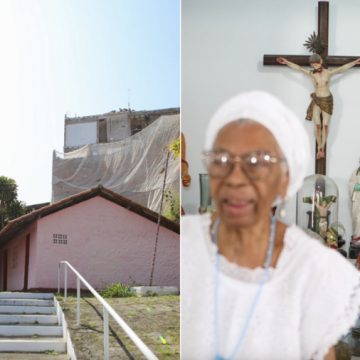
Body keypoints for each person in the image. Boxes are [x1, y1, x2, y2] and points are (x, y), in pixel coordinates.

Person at [181, 91, 360, 360]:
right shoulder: (188, 246)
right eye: (222, 161)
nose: (236, 179)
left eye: (257, 163)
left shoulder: (310, 268)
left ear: (283, 179)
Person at [276, 55, 360, 160]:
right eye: (312, 64)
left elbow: (342, 68)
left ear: (320, 61)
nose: (314, 65)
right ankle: (319, 147)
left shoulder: (328, 73)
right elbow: (299, 68)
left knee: (325, 125)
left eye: (316, 63)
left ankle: (322, 148)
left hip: (327, 100)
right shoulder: (312, 74)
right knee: (317, 125)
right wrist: (287, 62)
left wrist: (354, 62)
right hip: (316, 100)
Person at [350, 163, 360, 242]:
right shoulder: (355, 172)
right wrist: (357, 186)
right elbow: (351, 184)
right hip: (357, 199)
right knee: (357, 219)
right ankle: (357, 237)